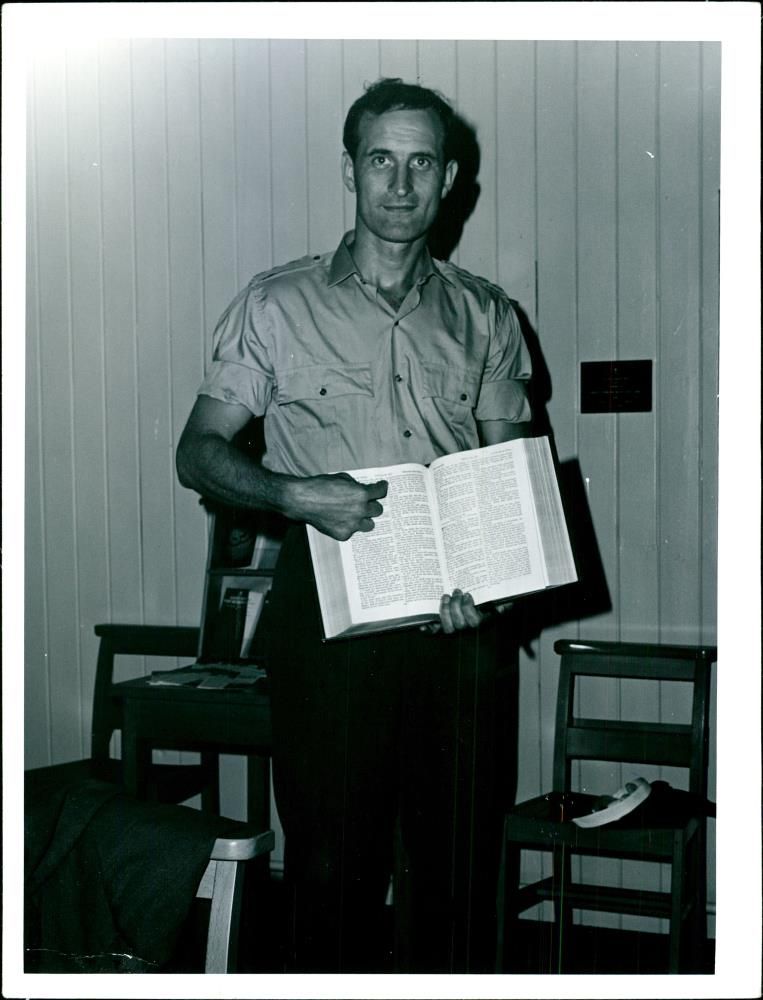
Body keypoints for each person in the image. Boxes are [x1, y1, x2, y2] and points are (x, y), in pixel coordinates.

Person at [176, 78, 532, 973]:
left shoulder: (485, 313)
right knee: (333, 872)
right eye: (382, 159)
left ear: (450, 178)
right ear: (350, 169)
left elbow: (507, 480)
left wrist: (489, 587)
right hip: (325, 626)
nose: (401, 183)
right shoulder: (274, 304)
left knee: (456, 870)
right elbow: (199, 453)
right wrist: (296, 496)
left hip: (459, 633)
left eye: (421, 162)